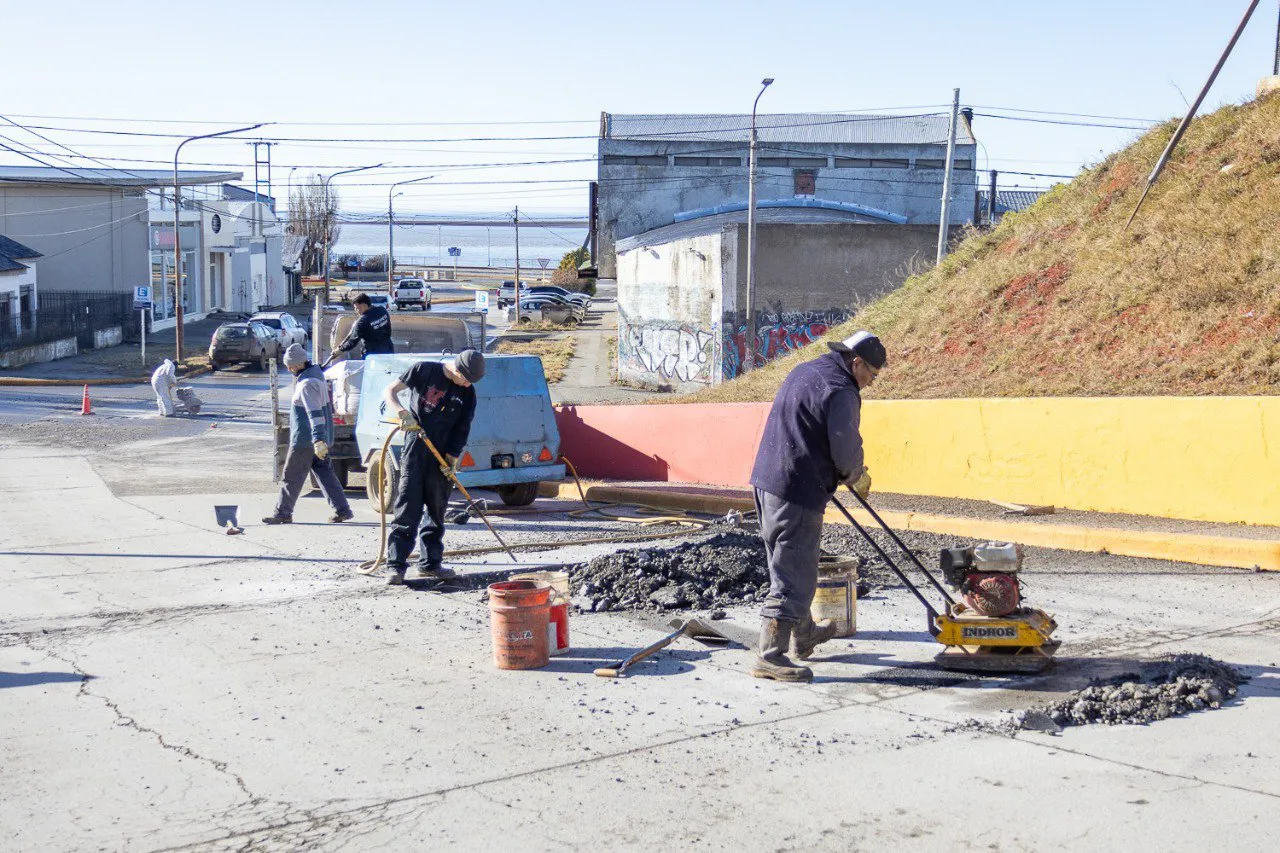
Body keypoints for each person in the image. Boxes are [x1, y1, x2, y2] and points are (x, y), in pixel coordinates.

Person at [747, 330, 886, 683]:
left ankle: (804, 632)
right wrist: (856, 475)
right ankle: (770, 656)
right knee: (793, 574)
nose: (871, 382)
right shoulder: (841, 390)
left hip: (767, 481)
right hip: (798, 489)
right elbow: (845, 447)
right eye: (872, 374)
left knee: (789, 565)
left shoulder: (807, 370)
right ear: (857, 363)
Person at [382, 349, 486, 585]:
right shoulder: (424, 370)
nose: (467, 384)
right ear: (456, 369)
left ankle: (430, 565)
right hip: (416, 446)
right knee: (408, 508)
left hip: (443, 454)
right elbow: (390, 391)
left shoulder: (468, 392)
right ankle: (395, 566)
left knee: (436, 510)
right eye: (465, 379)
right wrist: (401, 412)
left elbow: (463, 427)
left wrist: (452, 458)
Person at [262, 344, 354, 525]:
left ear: (297, 365)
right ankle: (343, 510)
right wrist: (322, 440)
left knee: (291, 477)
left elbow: (315, 414)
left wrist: (317, 439)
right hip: (320, 440)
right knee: (326, 475)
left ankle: (283, 513)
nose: (289, 370)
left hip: (305, 441)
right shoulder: (317, 377)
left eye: (289, 366)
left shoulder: (306, 384)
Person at [334, 292, 394, 359]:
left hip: (371, 356)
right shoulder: (382, 310)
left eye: (356, 308)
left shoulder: (362, 321)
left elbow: (352, 342)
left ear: (362, 306)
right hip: (388, 351)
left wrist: (339, 350)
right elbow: (388, 329)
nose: (356, 311)